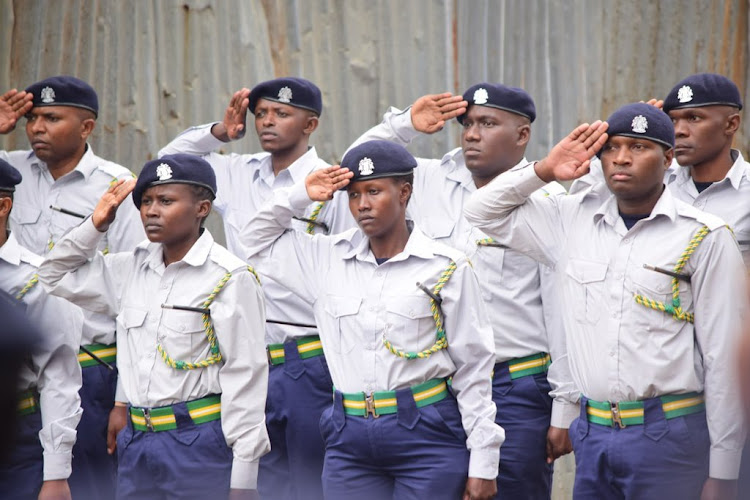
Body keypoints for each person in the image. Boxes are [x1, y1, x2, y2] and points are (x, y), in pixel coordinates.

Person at [464, 103, 747, 499]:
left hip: (669, 436)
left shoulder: (704, 236)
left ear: (668, 159)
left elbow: (723, 357)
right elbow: (480, 211)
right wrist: (545, 169)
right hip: (594, 434)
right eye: (611, 148)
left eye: (638, 147)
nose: (621, 158)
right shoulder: (571, 220)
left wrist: (725, 469)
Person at [240, 140, 504, 500]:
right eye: (352, 195)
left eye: (374, 192)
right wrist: (301, 194)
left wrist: (484, 462)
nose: (362, 205)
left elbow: (474, 366)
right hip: (349, 438)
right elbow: (253, 239)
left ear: (404, 192)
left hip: (426, 434)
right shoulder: (326, 260)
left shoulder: (446, 267)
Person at [347, 84, 577, 498]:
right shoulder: (428, 179)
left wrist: (565, 406)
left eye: (487, 124)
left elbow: (562, 306)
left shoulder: (549, 198)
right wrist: (404, 126)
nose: (471, 133)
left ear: (522, 134)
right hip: (435, 396)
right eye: (467, 123)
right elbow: (357, 165)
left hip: (514, 388)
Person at [159, 77, 354, 500]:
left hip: (309, 355)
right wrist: (220, 134)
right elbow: (168, 161)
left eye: (282, 114)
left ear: (310, 124)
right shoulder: (235, 171)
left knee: (310, 480)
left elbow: (348, 265)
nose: (267, 122)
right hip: (246, 356)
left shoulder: (331, 183)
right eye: (261, 113)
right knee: (257, 479)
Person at [37, 154, 270, 500]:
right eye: (145, 201)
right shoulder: (130, 269)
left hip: (197, 442)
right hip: (138, 443)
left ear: (202, 208)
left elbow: (246, 375)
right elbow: (51, 276)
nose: (151, 210)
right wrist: (95, 225)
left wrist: (244, 479)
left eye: (166, 201)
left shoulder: (228, 277)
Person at [0, 75, 146, 500]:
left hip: (91, 366)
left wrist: (124, 398)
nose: (36, 128)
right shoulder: (10, 170)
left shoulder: (116, 186)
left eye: (51, 118)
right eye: (31, 118)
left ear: (86, 127)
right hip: (17, 370)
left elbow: (136, 295)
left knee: (85, 487)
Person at [0, 158, 84, 500]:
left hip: (16, 439)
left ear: (3, 205)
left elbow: (59, 376)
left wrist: (56, 475)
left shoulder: (39, 278)